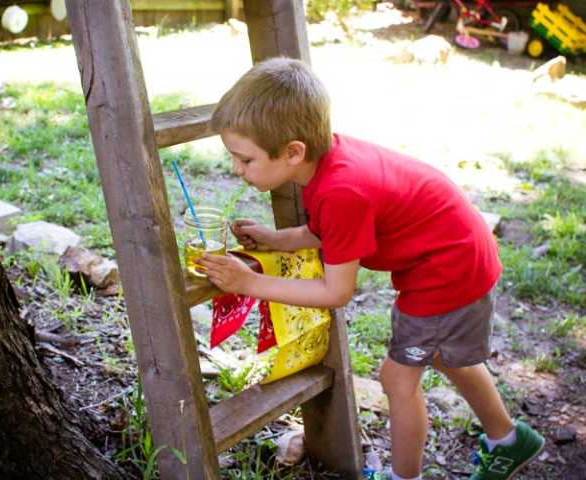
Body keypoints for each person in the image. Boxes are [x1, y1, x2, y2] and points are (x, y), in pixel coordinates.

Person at [196, 57, 544, 480]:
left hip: (447, 272)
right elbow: (329, 232)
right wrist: (277, 238)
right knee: (445, 356)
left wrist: (250, 282)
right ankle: (509, 439)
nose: (237, 169)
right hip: (457, 253)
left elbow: (334, 291)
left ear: (293, 152)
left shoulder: (341, 190)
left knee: (398, 381)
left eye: (245, 160)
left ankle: (405, 477)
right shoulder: (330, 165)